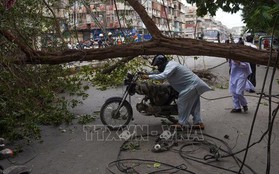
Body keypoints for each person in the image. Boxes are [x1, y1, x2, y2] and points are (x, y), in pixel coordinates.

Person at [141, 55, 211, 129]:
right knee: (194, 105)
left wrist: (148, 77)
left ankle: (181, 124)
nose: (158, 67)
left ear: (162, 63)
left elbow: (163, 75)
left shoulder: (171, 65)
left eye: (158, 65)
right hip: (195, 84)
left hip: (191, 85)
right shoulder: (169, 65)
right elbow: (158, 72)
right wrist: (147, 73)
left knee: (181, 102)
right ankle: (199, 123)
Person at [229, 42, 252, 113]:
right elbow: (230, 64)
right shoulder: (233, 54)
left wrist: (238, 62)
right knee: (233, 92)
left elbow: (246, 65)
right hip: (233, 75)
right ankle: (237, 107)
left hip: (242, 75)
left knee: (238, 92)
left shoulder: (244, 54)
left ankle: (244, 104)